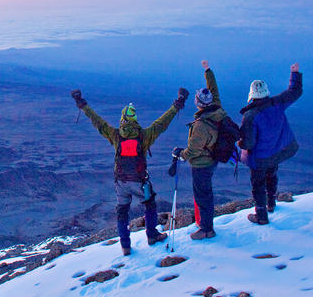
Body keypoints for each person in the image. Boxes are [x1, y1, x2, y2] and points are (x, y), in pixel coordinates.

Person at [71, 88, 189, 255]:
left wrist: (82, 105)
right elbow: (162, 123)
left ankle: (125, 246)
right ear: (135, 119)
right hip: (139, 180)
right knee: (149, 204)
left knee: (122, 211)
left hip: (120, 181)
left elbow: (98, 121)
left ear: (122, 119)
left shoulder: (115, 135)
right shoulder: (144, 135)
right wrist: (177, 105)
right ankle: (151, 235)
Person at [239, 63, 303, 225]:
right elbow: (294, 92)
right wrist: (294, 73)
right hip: (276, 152)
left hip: (260, 157)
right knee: (272, 175)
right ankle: (271, 203)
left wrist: (240, 143)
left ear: (251, 95)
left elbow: (249, 142)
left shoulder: (250, 116)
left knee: (258, 184)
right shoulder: (276, 103)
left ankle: (261, 216)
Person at [173, 60, 226, 240]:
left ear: (198, 104)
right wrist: (208, 71)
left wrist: (181, 155)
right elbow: (214, 89)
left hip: (202, 163)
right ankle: (204, 223)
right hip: (212, 158)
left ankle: (206, 229)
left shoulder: (201, 125)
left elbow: (194, 150)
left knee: (203, 195)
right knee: (205, 192)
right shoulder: (217, 108)